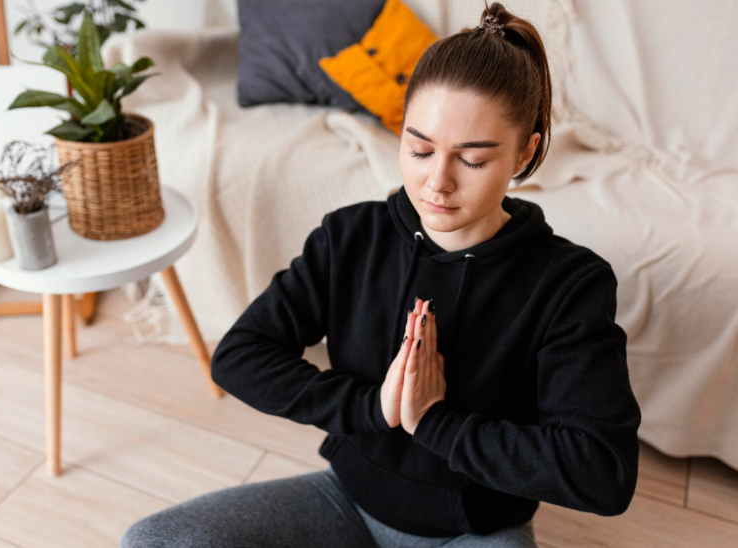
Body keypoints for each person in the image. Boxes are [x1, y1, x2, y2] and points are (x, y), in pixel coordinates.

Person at [119, 1, 642, 546]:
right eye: (419, 149)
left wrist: (433, 421)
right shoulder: (352, 238)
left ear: (524, 154)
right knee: (153, 539)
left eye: (472, 160)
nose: (437, 182)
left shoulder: (569, 284)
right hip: (347, 500)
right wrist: (375, 407)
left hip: (475, 531)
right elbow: (239, 358)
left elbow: (602, 475)